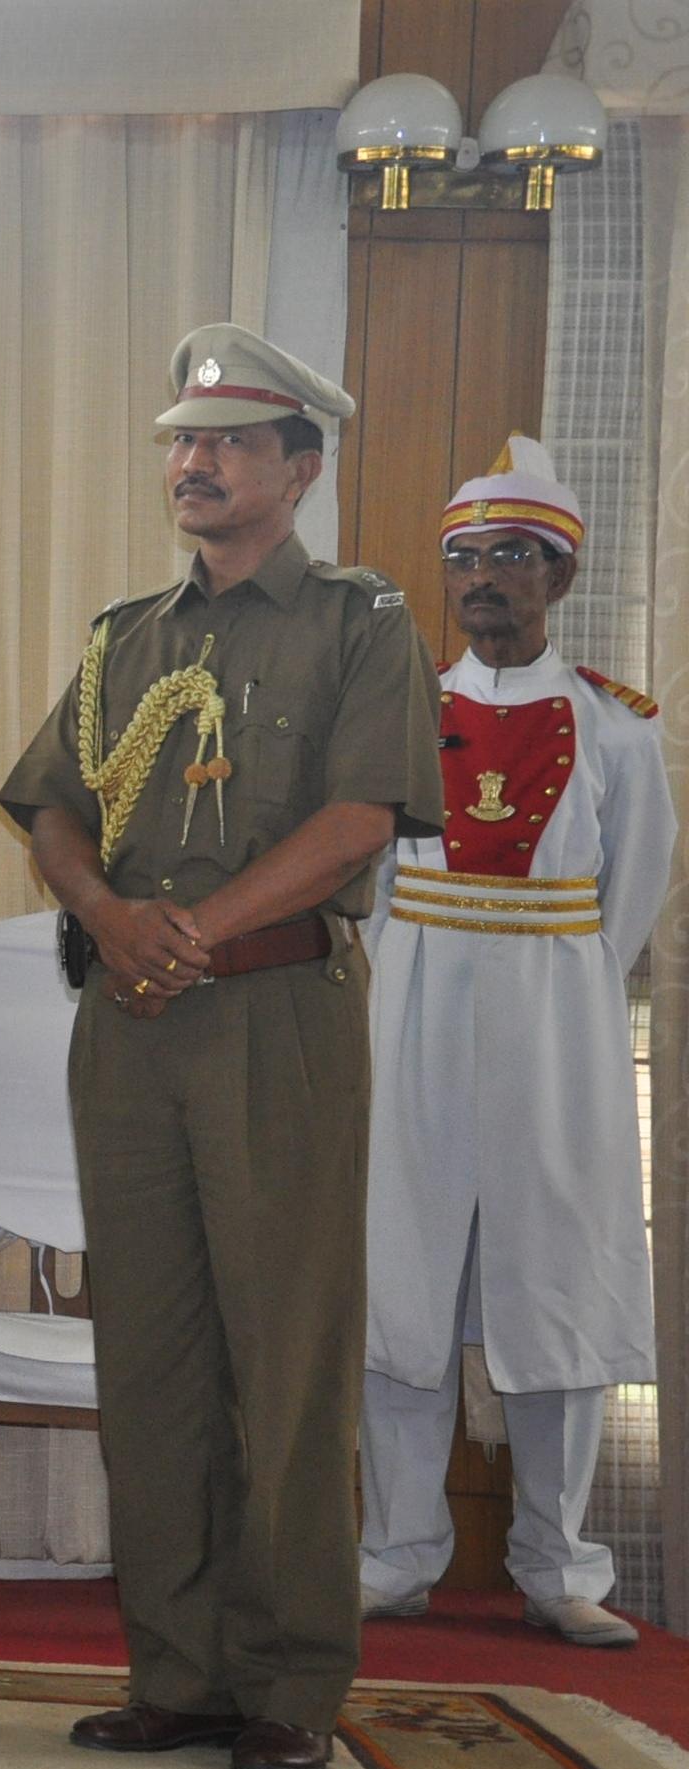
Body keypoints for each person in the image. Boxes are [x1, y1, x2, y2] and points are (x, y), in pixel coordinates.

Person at [0, 323, 441, 1769]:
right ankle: (175, 1670)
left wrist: (190, 931)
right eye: (184, 442)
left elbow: (360, 818)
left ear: (299, 468)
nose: (194, 464)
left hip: (273, 1018)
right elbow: (54, 804)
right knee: (156, 1357)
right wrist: (112, 915)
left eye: (231, 441)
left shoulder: (362, 621)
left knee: (287, 1353)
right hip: (131, 1025)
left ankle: (292, 1679)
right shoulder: (131, 635)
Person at [357, 439, 667, 1651]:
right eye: (467, 559)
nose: (485, 577)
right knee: (403, 1284)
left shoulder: (622, 731)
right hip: (416, 1009)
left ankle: (560, 1563)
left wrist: (555, 992)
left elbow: (628, 896)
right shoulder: (399, 712)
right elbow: (371, 881)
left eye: (512, 558)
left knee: (558, 1293)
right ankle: (392, 1552)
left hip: (558, 1031)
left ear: (557, 575)